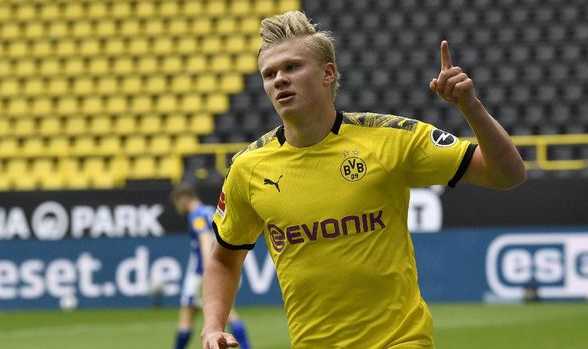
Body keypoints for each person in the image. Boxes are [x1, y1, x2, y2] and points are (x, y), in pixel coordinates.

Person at [202, 10, 526, 349]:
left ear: (328, 73)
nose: (279, 79)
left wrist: (470, 107)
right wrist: (212, 327)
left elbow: (508, 174)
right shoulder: (248, 167)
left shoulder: (392, 139)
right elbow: (224, 258)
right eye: (269, 74)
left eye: (292, 67)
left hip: (401, 341)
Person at [170, 183, 251, 349]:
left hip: (200, 273)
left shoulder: (196, 215)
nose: (178, 208)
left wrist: (210, 269)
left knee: (187, 316)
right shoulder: (209, 211)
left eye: (177, 203)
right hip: (209, 271)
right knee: (226, 313)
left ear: (183, 199)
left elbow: (205, 240)